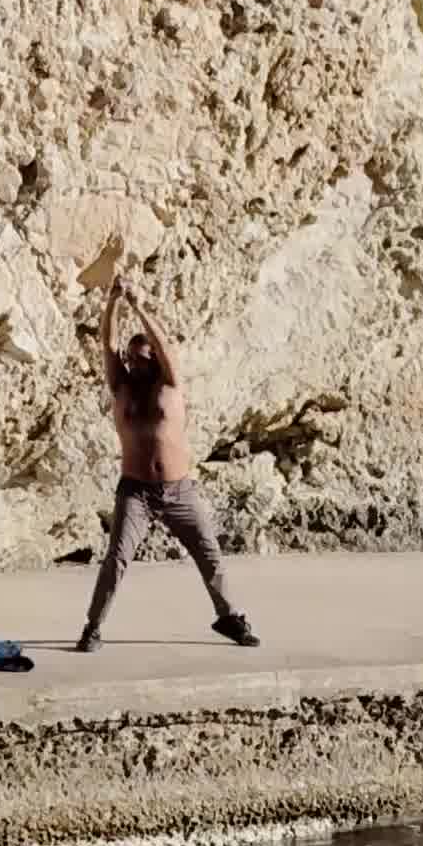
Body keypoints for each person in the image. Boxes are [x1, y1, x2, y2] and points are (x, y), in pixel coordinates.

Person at [76, 270, 259, 653]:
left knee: (209, 553)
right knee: (117, 558)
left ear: (154, 361)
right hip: (136, 492)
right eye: (130, 359)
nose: (133, 363)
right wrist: (112, 300)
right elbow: (106, 345)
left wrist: (139, 305)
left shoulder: (169, 385)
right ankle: (93, 626)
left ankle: (229, 617)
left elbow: (164, 346)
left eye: (141, 359)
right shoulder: (121, 388)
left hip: (179, 490)